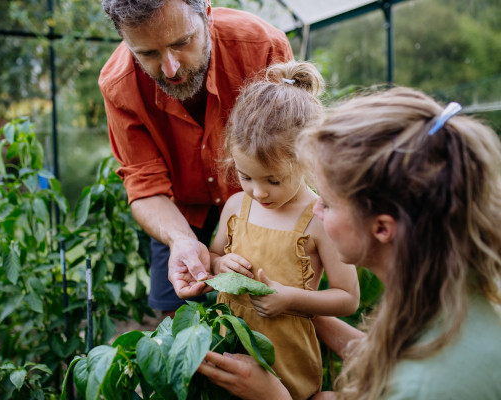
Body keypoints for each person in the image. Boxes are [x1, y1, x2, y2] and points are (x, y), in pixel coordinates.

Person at [198, 88, 501, 400]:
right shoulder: (456, 301)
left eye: (327, 203)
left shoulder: (423, 387)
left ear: (382, 228)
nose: (314, 209)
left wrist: (275, 396)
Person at [99, 0, 293, 316]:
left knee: (267, 311)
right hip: (180, 212)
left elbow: (288, 155)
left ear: (206, 12)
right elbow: (145, 185)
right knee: (175, 316)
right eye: (147, 54)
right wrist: (180, 240)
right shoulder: (118, 85)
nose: (170, 67)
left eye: (181, 43)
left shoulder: (261, 47)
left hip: (258, 200)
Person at [208, 60, 360, 400]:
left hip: (288, 357)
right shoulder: (236, 207)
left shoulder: (320, 219)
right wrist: (219, 265)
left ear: (307, 161)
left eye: (273, 180)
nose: (258, 192)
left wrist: (290, 299)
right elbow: (215, 255)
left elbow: (348, 298)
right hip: (231, 345)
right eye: (246, 177)